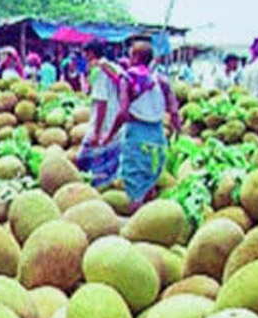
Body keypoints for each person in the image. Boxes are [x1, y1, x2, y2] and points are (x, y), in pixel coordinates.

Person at [103, 41, 181, 212]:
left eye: (131, 55)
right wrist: (178, 135)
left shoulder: (127, 78)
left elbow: (123, 113)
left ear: (136, 57)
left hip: (137, 137)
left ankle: (134, 230)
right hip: (158, 138)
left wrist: (109, 136)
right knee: (151, 183)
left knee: (135, 189)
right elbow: (174, 113)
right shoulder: (162, 81)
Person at [77, 41, 122, 188]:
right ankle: (103, 186)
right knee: (109, 160)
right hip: (115, 121)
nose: (84, 57)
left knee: (84, 159)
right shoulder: (113, 67)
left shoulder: (99, 71)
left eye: (85, 53)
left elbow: (102, 101)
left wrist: (96, 131)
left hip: (104, 122)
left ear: (90, 53)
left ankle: (96, 187)